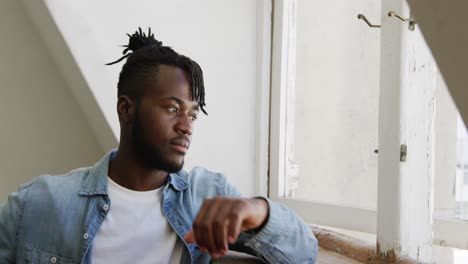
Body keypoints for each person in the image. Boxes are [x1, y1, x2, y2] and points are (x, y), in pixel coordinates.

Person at [0, 28, 317, 264]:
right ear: (126, 109)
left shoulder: (206, 195)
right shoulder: (36, 205)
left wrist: (256, 210)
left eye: (193, 113)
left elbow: (305, 254)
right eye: (172, 108)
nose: (187, 126)